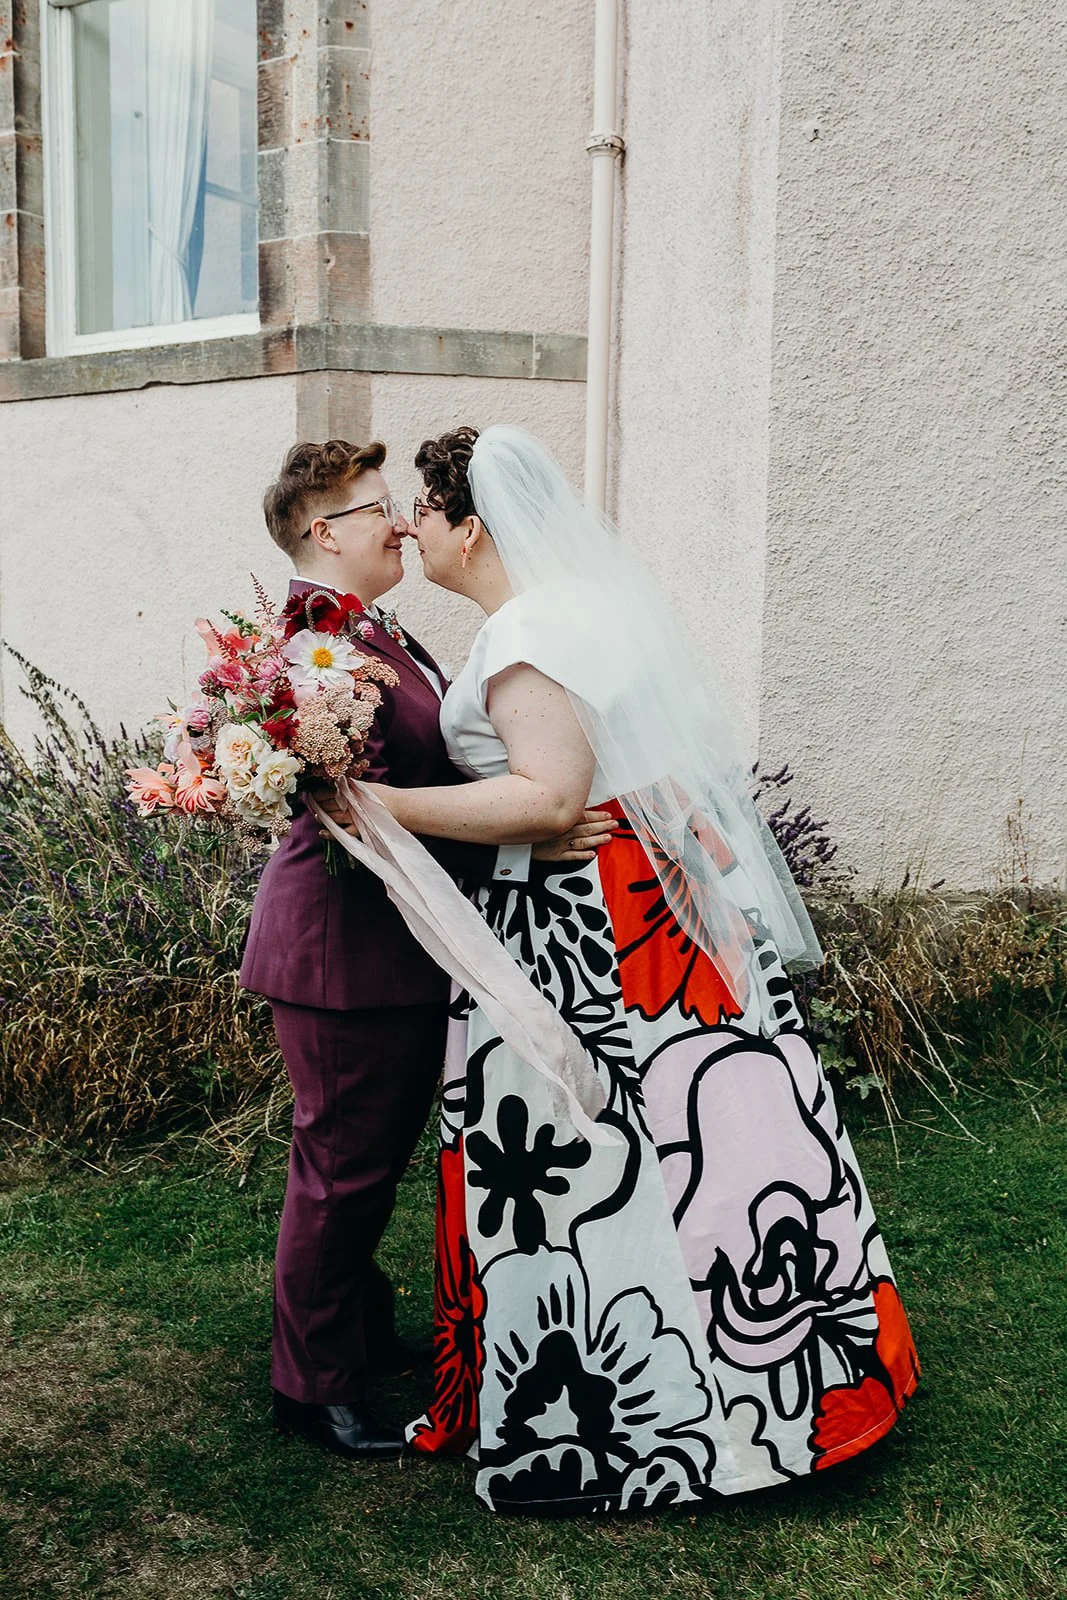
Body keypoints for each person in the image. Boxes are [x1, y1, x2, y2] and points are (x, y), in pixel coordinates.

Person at [323, 424, 920, 1514]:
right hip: (640, 905)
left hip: (583, 934)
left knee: (599, 1156)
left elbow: (551, 798)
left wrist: (370, 806)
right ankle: (782, 1379)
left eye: (425, 508)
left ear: (471, 526)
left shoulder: (526, 632)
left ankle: (646, 1417)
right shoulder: (564, 615)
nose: (410, 524)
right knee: (711, 1142)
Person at [240, 438, 614, 1462]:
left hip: (393, 944)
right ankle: (310, 1387)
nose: (399, 522)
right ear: (324, 531)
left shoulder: (371, 633)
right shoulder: (308, 652)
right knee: (342, 1165)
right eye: (375, 509)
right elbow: (349, 812)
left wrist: (531, 810)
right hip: (340, 950)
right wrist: (527, 817)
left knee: (365, 1154)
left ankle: (353, 1328)